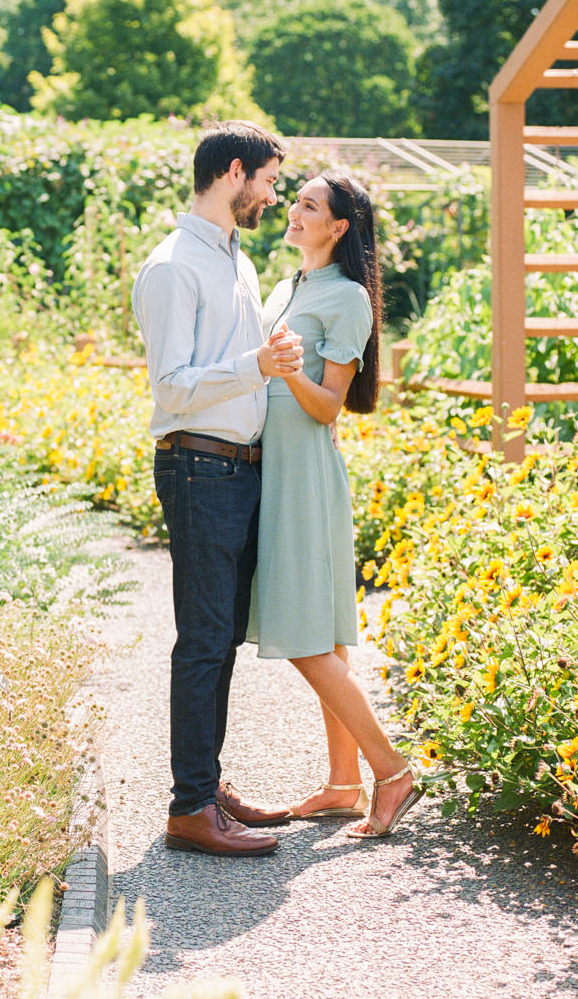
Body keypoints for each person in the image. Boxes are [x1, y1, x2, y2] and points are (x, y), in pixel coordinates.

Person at [131, 121, 304, 858]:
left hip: (236, 468)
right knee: (203, 641)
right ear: (235, 172)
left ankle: (206, 787)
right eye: (268, 179)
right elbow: (170, 388)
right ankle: (189, 808)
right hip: (198, 467)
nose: (274, 195)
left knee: (221, 637)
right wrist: (254, 368)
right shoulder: (173, 268)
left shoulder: (236, 262)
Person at [246, 171, 422, 840]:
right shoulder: (290, 286)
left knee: (305, 635)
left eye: (309, 206)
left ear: (339, 226)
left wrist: (287, 370)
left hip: (305, 475)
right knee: (323, 634)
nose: (294, 211)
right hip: (275, 470)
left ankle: (393, 770)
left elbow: (327, 409)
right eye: (294, 201)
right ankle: (345, 784)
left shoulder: (347, 298)